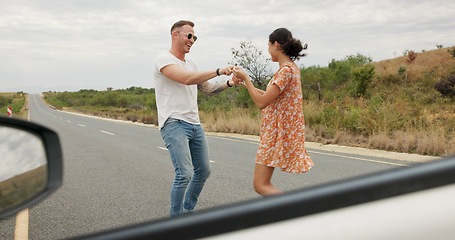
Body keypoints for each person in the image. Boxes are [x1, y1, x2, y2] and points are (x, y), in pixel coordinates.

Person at [154, 20, 238, 217]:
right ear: (175, 35)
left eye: (195, 37)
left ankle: (187, 211)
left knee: (204, 171)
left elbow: (207, 88)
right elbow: (185, 78)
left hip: (194, 124)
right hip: (174, 123)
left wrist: (229, 83)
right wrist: (218, 70)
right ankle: (176, 221)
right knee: (184, 173)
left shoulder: (192, 64)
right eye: (189, 36)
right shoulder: (163, 59)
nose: (192, 40)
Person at [233, 28, 314, 196]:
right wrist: (246, 85)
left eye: (268, 45)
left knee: (261, 184)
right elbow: (273, 99)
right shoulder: (291, 68)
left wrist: (247, 78)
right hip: (277, 131)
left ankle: (293, 212)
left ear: (276, 44)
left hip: (276, 133)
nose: (268, 50)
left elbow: (262, 103)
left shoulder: (285, 71)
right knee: (262, 184)